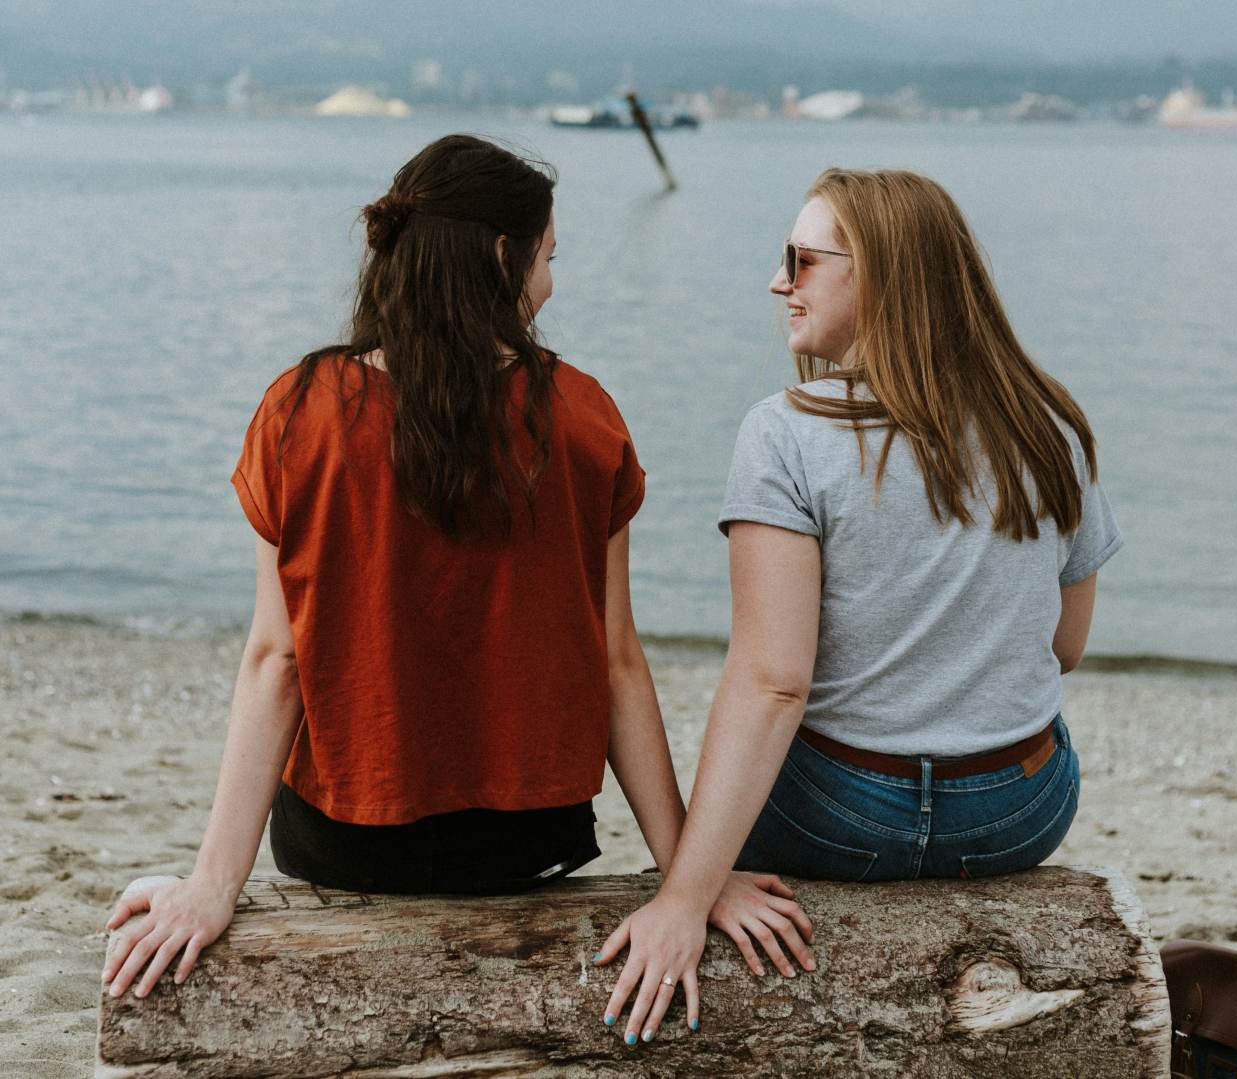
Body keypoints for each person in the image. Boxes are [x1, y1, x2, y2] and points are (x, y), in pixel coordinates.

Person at [100, 134, 812, 1004]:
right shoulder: (583, 420)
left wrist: (214, 884)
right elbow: (618, 659)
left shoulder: (299, 415)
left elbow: (275, 660)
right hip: (524, 846)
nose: (552, 283)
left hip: (343, 843)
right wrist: (687, 880)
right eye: (549, 258)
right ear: (504, 259)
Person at [594, 168, 1122, 1042]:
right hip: (1017, 813)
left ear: (875, 273)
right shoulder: (1049, 425)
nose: (777, 282)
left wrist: (684, 896)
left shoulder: (787, 431)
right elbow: (1064, 646)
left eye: (800, 261)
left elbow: (772, 684)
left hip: (839, 818)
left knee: (747, 748)